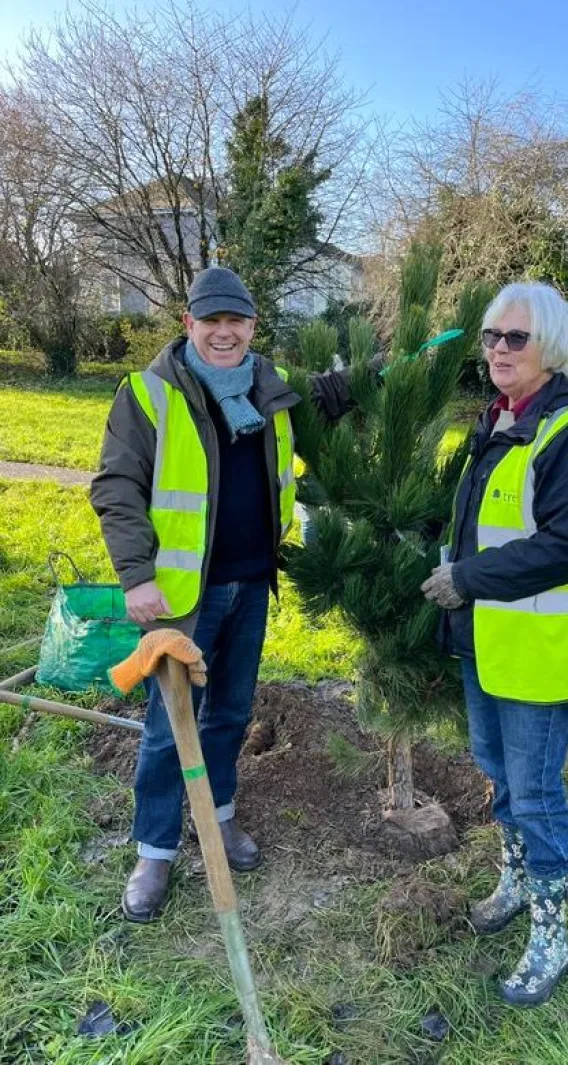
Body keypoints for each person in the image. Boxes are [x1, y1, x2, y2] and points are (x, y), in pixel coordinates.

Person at [91, 267, 355, 923]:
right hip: (182, 597)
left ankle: (220, 817)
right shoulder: (149, 394)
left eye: (236, 321)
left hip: (251, 585)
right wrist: (136, 576)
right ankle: (155, 850)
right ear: (189, 326)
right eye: (211, 322)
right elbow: (116, 487)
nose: (224, 333)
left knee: (232, 714)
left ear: (252, 327)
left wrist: (392, 371)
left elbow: (327, 396)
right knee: (167, 726)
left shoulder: (269, 389)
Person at [421, 282, 568, 1007]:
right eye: (490, 337)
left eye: (516, 338)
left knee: (536, 792)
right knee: (497, 775)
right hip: (485, 641)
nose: (499, 350)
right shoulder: (501, 420)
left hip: (534, 654)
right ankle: (513, 879)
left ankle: (552, 930)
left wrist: (465, 578)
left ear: (551, 347)